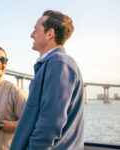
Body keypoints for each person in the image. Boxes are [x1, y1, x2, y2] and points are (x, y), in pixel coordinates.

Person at [10, 10, 84, 149]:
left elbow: (50, 123)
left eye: (35, 30)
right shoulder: (51, 64)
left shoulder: (58, 64)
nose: (31, 35)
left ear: (50, 33)